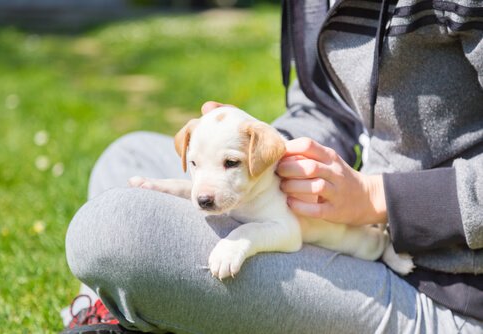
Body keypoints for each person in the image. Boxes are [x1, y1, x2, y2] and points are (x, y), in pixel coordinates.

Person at [62, 0, 483, 333]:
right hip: (326, 228)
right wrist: (264, 150)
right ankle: (125, 309)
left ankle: (128, 310)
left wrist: (378, 197)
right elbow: (323, 108)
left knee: (112, 231)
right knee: (128, 157)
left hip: (444, 289)